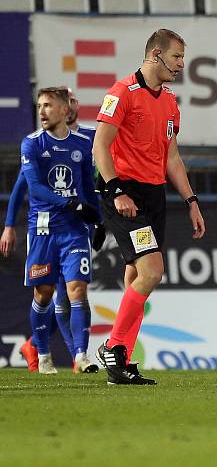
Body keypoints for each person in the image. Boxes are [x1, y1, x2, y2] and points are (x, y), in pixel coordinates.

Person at [93, 28, 205, 386]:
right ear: (156, 54)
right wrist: (116, 191)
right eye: (176, 57)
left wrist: (191, 200)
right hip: (124, 194)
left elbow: (172, 156)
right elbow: (100, 147)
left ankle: (119, 361)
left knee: (137, 277)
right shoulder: (121, 93)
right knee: (153, 271)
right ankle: (113, 346)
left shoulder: (170, 102)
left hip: (154, 195)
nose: (181, 65)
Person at [1, 87, 101, 374]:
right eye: (39, 105)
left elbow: (88, 188)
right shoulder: (31, 144)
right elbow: (29, 187)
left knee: (76, 291)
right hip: (43, 229)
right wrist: (9, 225)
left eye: (48, 105)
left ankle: (81, 356)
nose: (42, 110)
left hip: (74, 229)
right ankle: (41, 352)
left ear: (65, 109)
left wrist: (98, 222)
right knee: (44, 293)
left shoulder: (84, 142)